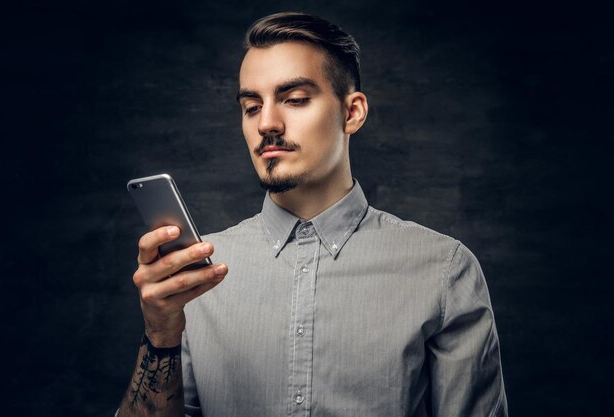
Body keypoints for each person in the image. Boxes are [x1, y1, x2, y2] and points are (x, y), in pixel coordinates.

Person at [117, 12, 508, 417]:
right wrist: (160, 333)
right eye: (252, 107)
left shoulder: (443, 271)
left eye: (295, 100)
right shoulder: (199, 273)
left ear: (352, 112)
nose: (267, 122)